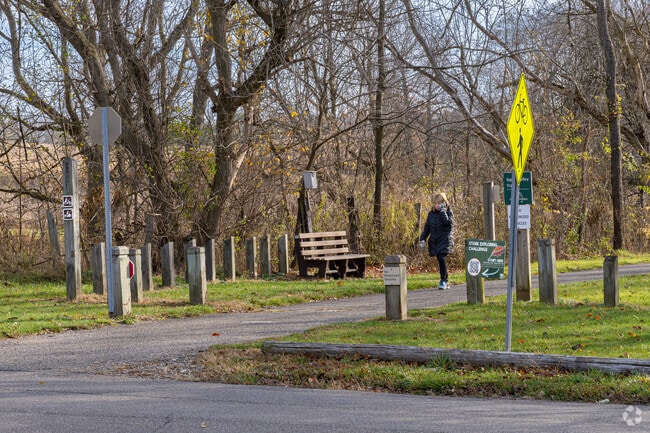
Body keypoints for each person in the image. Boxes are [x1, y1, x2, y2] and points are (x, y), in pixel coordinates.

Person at [419, 192, 454, 290]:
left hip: (445, 240)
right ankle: (445, 280)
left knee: (442, 258)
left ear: (444, 203)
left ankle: (443, 280)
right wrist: (422, 239)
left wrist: (443, 211)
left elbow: (447, 223)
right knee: (439, 259)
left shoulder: (448, 213)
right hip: (434, 241)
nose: (437, 205)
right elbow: (427, 228)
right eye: (436, 203)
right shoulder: (431, 214)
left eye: (439, 203)